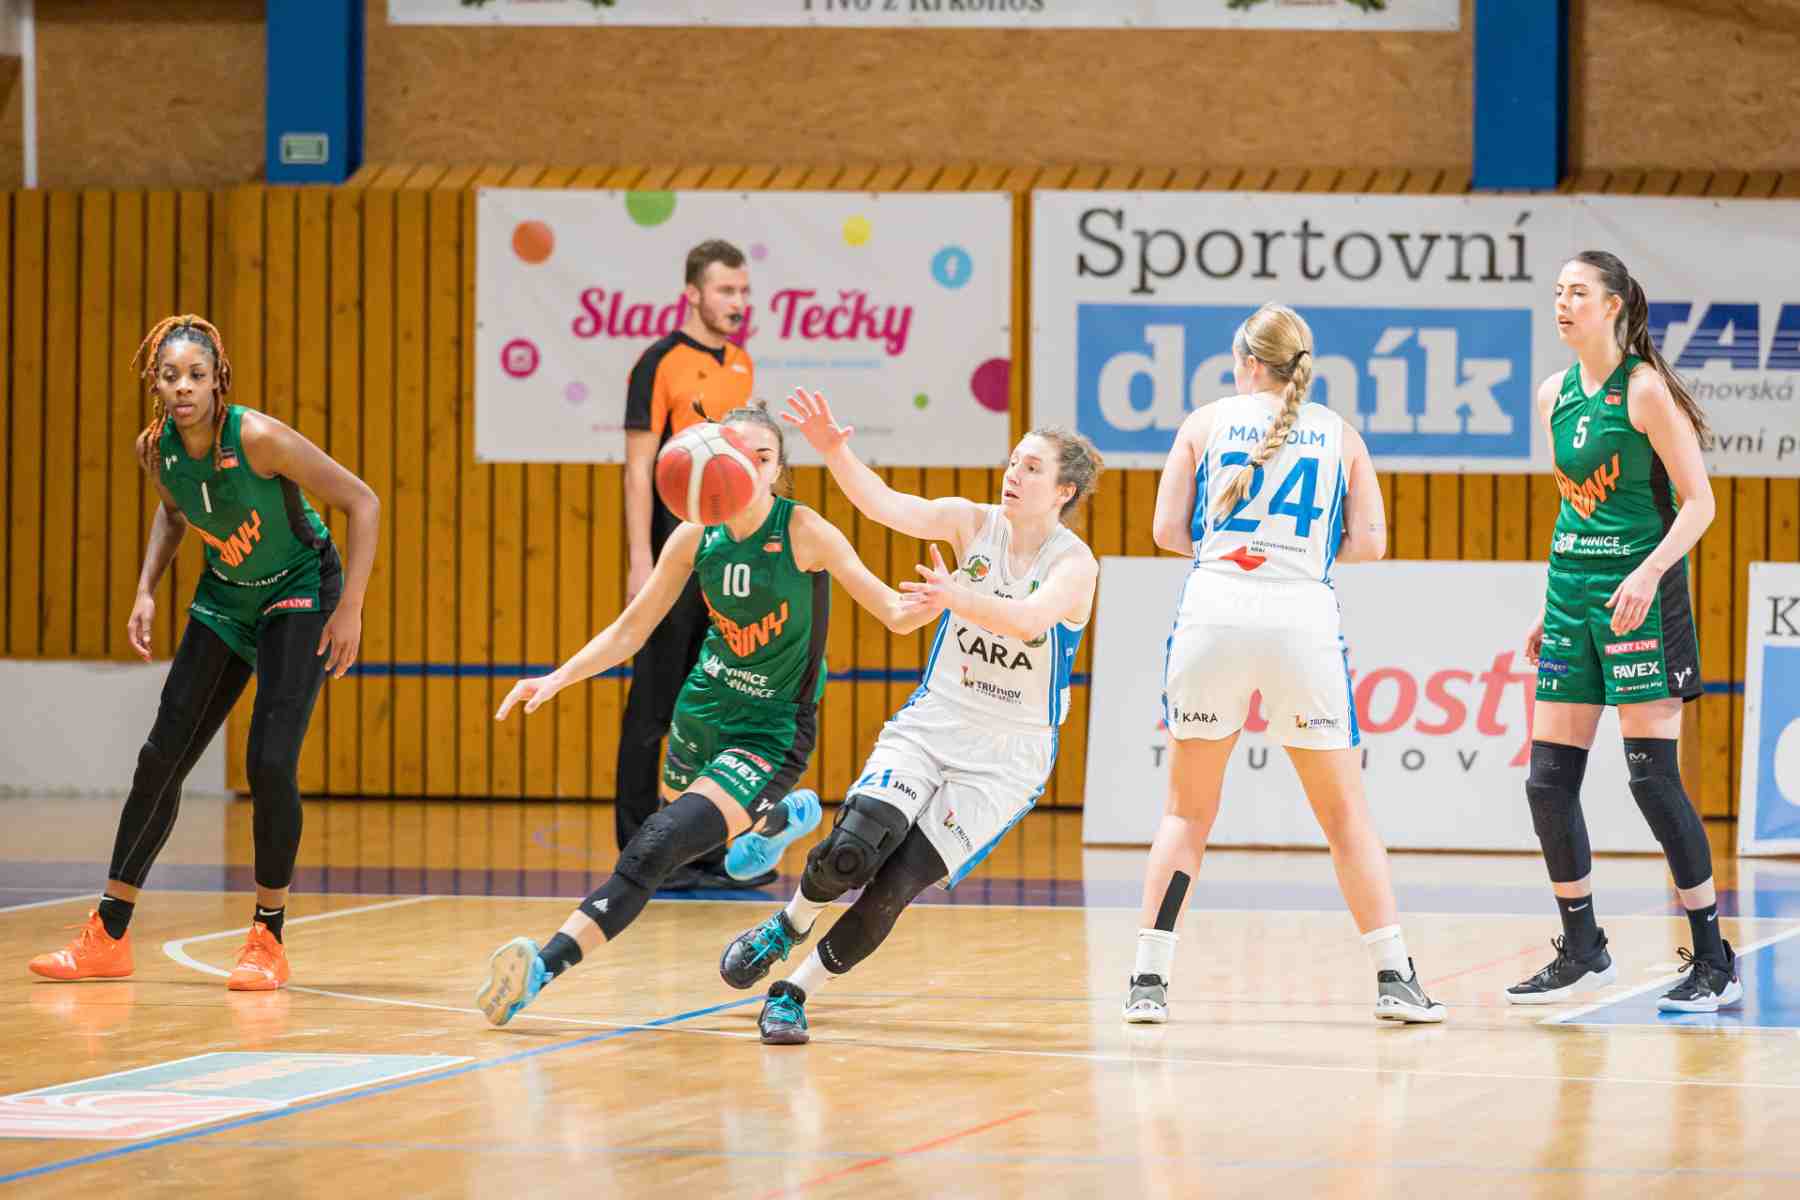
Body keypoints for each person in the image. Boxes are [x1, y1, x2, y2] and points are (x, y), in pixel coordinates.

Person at [476, 403, 940, 1026]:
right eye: (737, 454)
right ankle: (771, 826)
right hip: (701, 710)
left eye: (763, 457)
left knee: (655, 845)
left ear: (776, 471)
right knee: (695, 842)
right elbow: (631, 630)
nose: (748, 466)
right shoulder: (696, 535)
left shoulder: (804, 530)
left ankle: (541, 965)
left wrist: (943, 597)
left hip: (769, 732)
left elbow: (893, 613)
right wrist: (558, 676)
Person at [718, 389, 1102, 1046]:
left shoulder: (1073, 563)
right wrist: (834, 451)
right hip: (936, 722)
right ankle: (789, 923)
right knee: (853, 847)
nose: (1014, 473)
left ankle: (793, 992)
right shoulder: (972, 523)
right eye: (1014, 461)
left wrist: (956, 596)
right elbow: (888, 506)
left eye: (1033, 467)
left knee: (893, 887)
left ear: (1064, 490)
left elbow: (1030, 620)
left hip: (1008, 755)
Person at [29, 315, 379, 991]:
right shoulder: (156, 449)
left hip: (301, 589)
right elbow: (174, 512)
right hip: (226, 596)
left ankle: (267, 938)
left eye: (196, 374)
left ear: (219, 380)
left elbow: (363, 503)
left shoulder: (258, 438)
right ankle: (108, 933)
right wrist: (145, 590)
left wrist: (351, 608)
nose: (183, 387)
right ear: (154, 384)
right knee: (160, 756)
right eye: (170, 376)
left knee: (269, 761)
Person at [1125, 302, 1445, 1026]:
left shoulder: (1204, 423)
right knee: (1345, 816)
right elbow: (1371, 544)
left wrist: (1237, 549)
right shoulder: (1340, 433)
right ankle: (1394, 977)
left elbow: (1166, 531)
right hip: (1301, 619)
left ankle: (1148, 981)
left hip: (1215, 610)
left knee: (1186, 812)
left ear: (1245, 361)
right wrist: (1294, 553)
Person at [1506, 251, 1730, 1012]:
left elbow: (1699, 503)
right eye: (1557, 292)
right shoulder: (1553, 394)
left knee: (1651, 780)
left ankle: (1714, 958)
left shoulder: (1644, 390)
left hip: (1642, 598)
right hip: (1573, 596)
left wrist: (1647, 573)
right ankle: (1583, 948)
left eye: (1578, 293)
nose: (1563, 303)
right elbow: (1575, 504)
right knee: (1547, 781)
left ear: (1613, 306)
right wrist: (1551, 606)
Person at [618, 238, 759, 887]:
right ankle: (637, 852)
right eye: (726, 290)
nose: (738, 302)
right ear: (693, 294)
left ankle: (702, 850)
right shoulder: (659, 363)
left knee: (715, 706)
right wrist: (640, 560)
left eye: (744, 291)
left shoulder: (742, 364)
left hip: (727, 558)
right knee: (654, 704)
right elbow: (638, 468)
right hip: (671, 553)